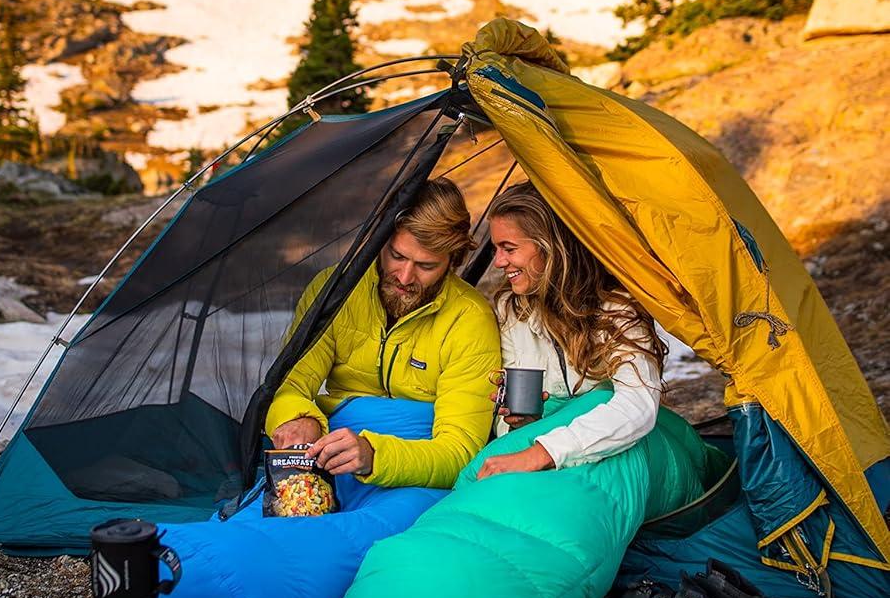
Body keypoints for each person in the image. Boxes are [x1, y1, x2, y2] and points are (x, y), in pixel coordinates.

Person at [267, 178, 501, 488]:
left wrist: (374, 455)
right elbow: (288, 384)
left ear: (452, 262)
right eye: (397, 256)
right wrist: (298, 418)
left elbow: (460, 452)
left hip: (419, 471)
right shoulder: (335, 292)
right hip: (332, 451)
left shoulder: (470, 320)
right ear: (380, 241)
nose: (404, 277)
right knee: (267, 512)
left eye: (426, 266)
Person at [477, 181, 666, 480]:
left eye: (509, 249)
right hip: (553, 458)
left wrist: (543, 452)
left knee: (596, 402)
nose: (498, 262)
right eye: (495, 249)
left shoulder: (616, 308)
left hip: (625, 456)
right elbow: (512, 437)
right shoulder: (512, 310)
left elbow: (637, 405)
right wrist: (525, 422)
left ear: (551, 247)